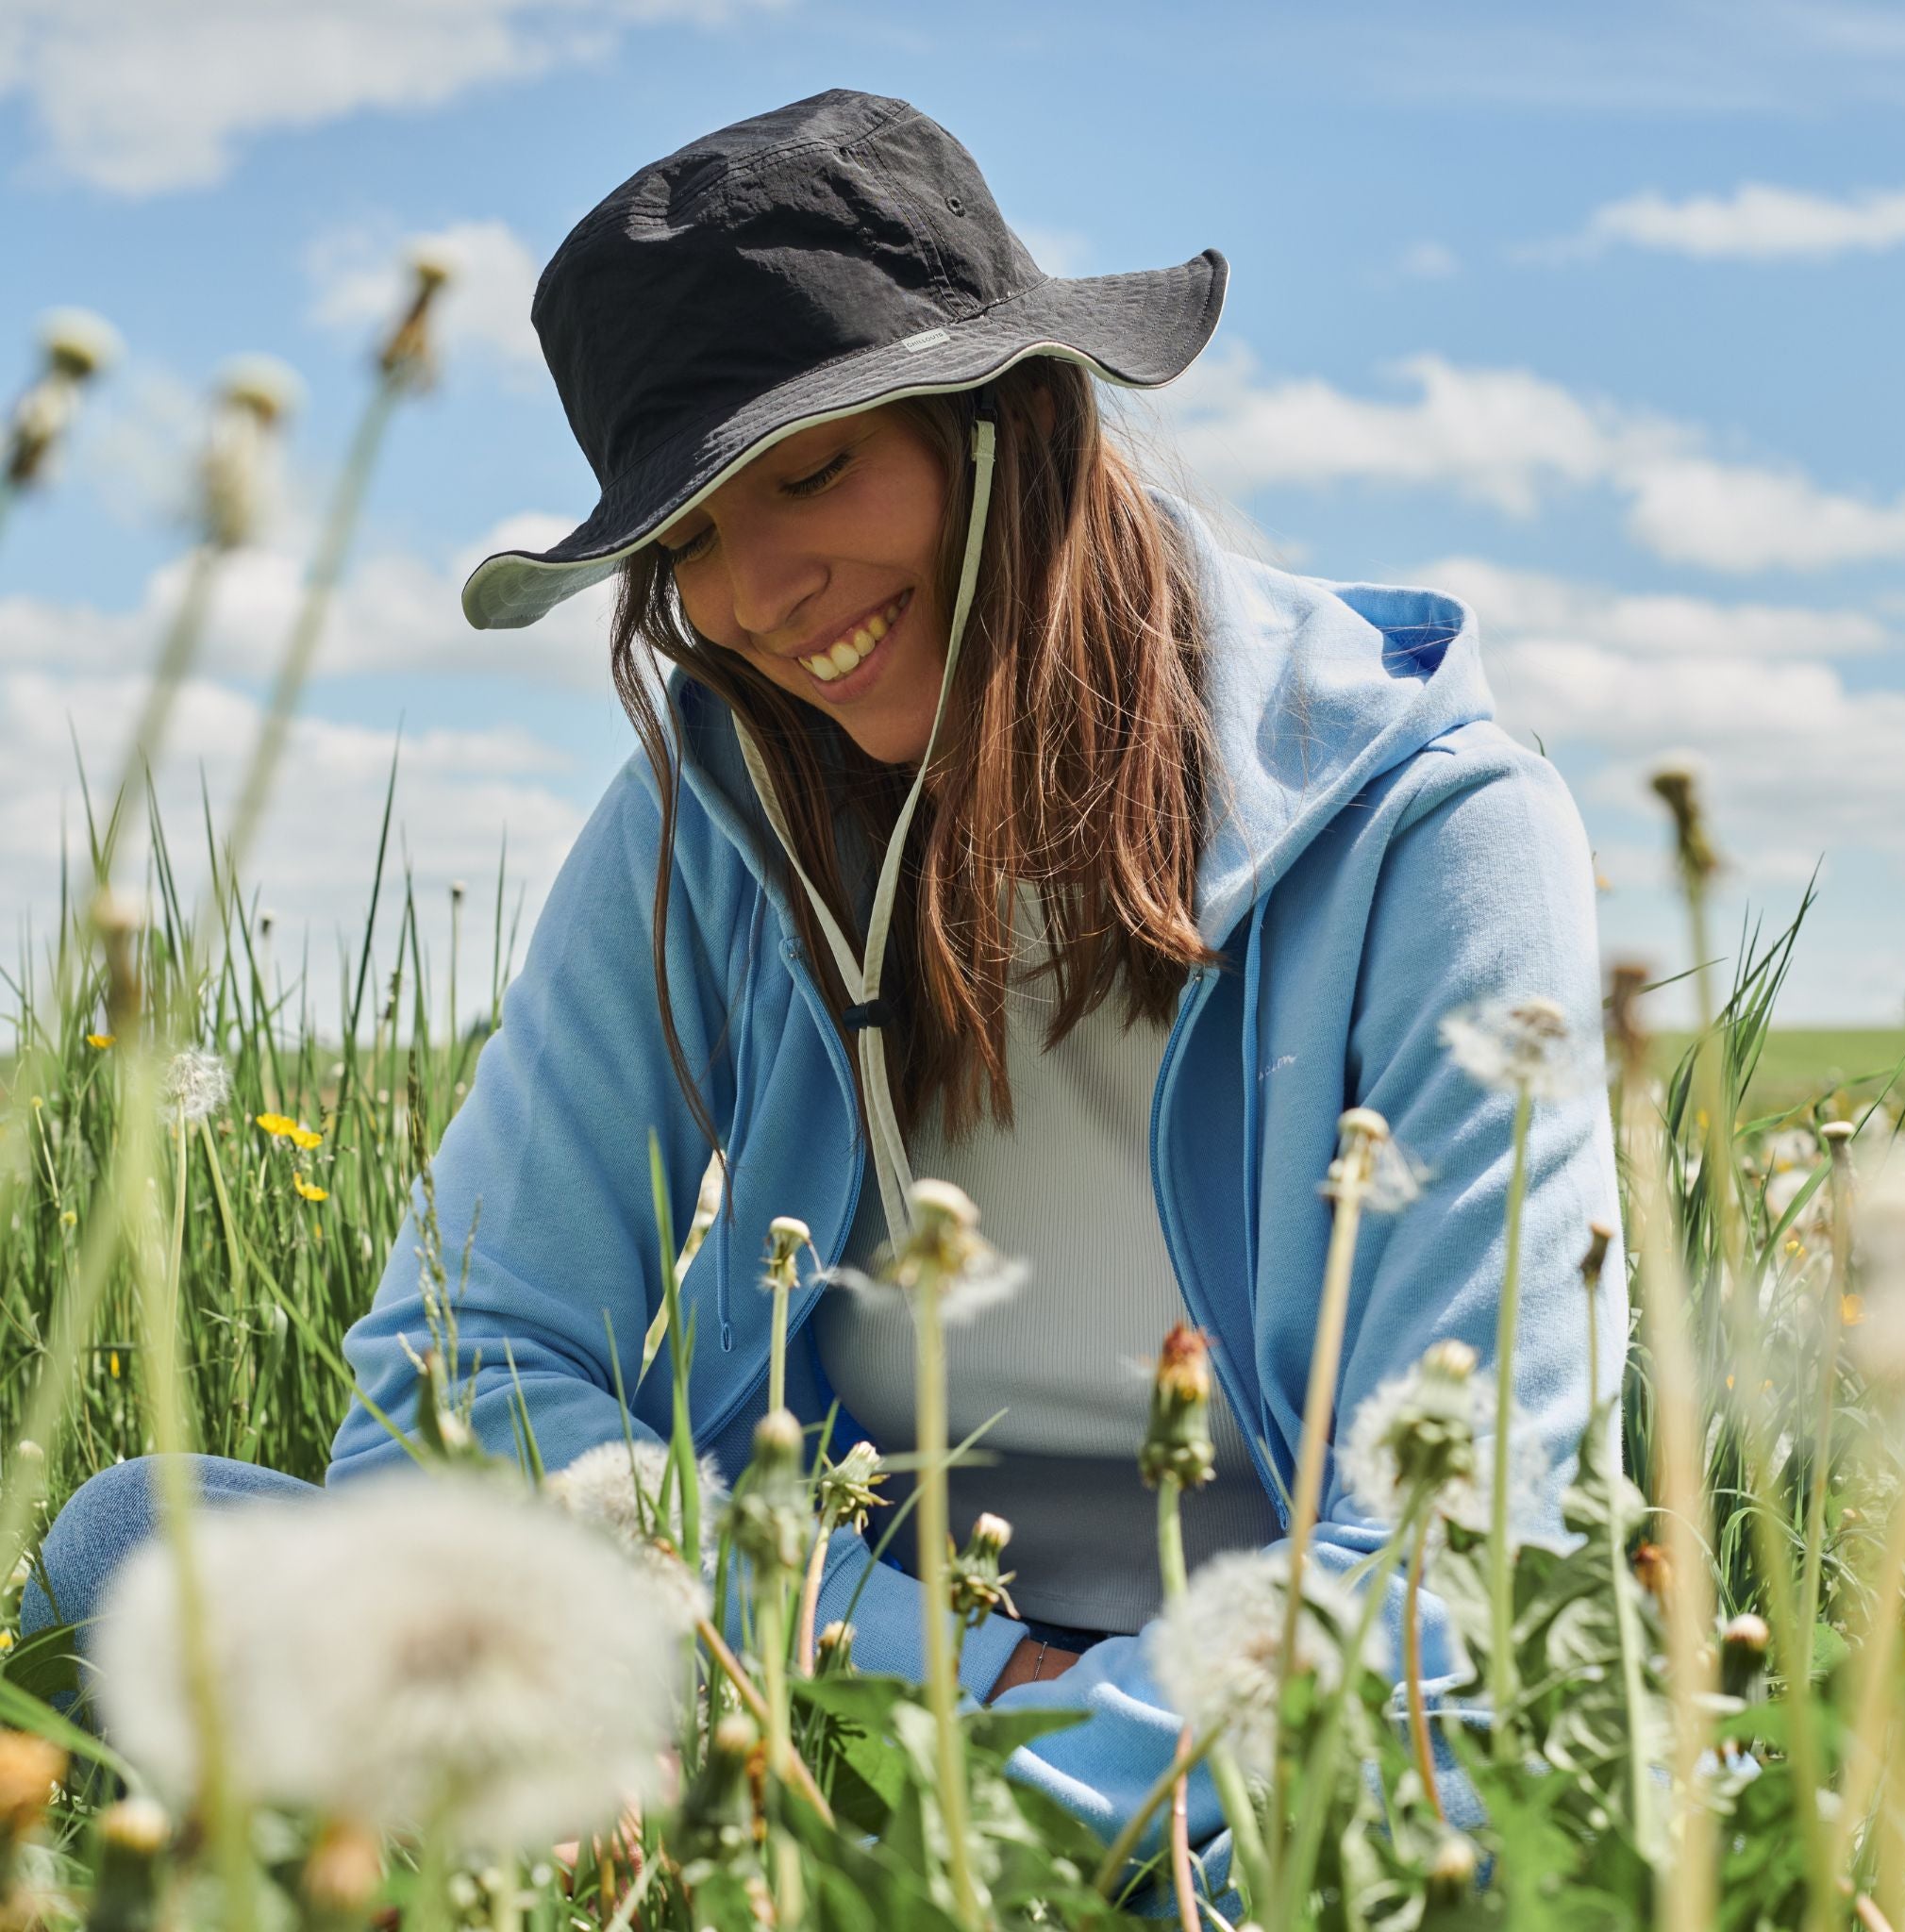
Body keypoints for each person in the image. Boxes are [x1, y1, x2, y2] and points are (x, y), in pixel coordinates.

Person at [31, 86, 1624, 1891]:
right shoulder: (711, 819)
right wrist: (919, 1675)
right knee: (145, 1541)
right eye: (687, 534)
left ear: (1016, 426)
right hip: (827, 1673)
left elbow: (1474, 1540)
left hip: (1275, 1736)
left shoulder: (1436, 827)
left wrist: (1041, 1773)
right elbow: (449, 1382)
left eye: (812, 473)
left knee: (1454, 1819)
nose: (758, 594)